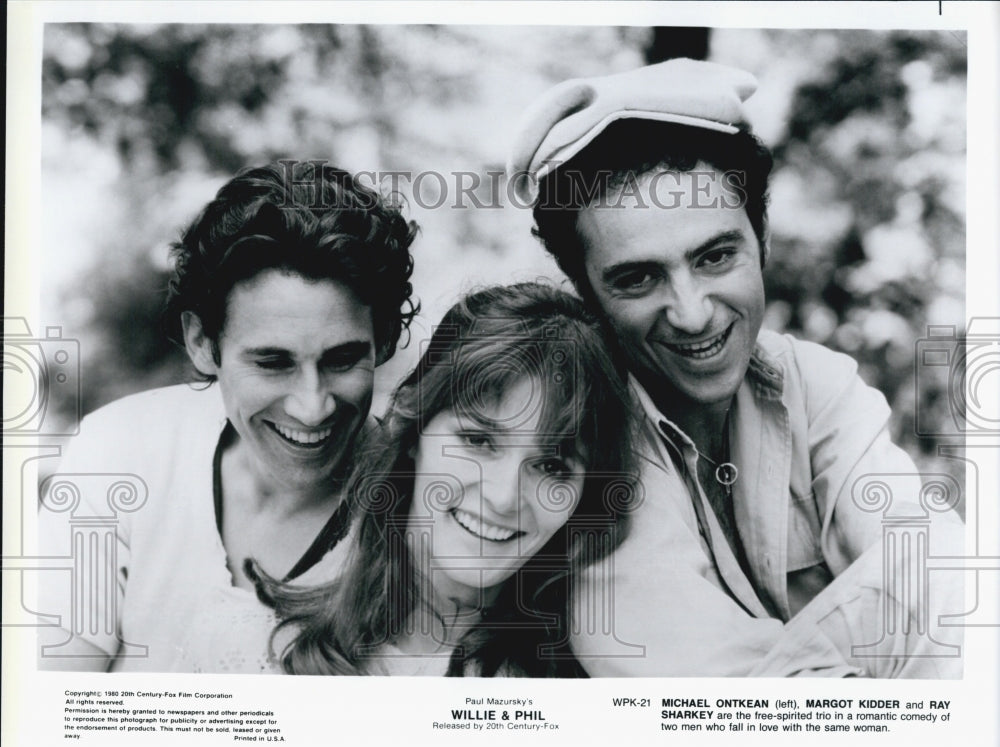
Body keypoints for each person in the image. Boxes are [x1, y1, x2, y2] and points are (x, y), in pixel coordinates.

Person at [507, 58, 964, 677]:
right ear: (585, 293)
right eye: (638, 279)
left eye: (716, 256)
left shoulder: (816, 386)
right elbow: (718, 712)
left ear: (762, 239)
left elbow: (957, 601)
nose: (692, 314)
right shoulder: (579, 443)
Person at [36, 162, 418, 672]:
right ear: (202, 343)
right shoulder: (119, 452)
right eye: (272, 362)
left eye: (343, 360)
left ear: (385, 338)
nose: (313, 405)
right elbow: (50, 715)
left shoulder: (424, 515)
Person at [252, 283, 637, 676]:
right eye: (478, 439)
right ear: (412, 427)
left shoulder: (596, 684)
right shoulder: (257, 650)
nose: (504, 497)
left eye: (552, 466)